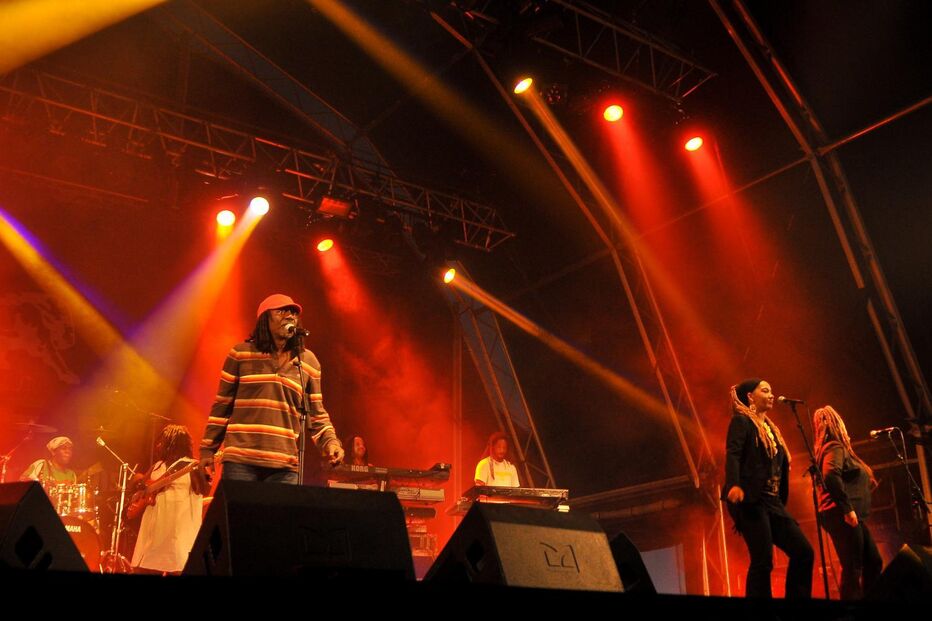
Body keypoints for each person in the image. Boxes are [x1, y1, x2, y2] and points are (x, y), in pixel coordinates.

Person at [200, 293, 344, 484]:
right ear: (264, 319)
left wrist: (331, 442)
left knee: (279, 515)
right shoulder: (240, 354)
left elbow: (316, 414)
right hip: (241, 462)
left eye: (293, 313)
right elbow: (222, 407)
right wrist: (207, 450)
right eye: (282, 311)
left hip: (284, 466)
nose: (290, 316)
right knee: (239, 515)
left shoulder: (307, 362)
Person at [723, 378, 814, 598]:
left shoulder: (771, 429)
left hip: (773, 502)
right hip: (751, 500)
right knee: (763, 560)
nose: (771, 394)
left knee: (804, 552)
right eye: (765, 391)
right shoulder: (742, 422)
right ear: (750, 397)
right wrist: (733, 484)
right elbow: (733, 454)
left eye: (772, 390)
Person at [813, 405, 883, 599]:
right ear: (835, 424)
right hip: (842, 514)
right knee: (853, 566)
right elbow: (830, 475)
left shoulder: (839, 449)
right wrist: (846, 509)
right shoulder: (834, 446)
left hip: (850, 515)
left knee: (873, 562)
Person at [131, 425, 209, 574]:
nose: (157, 445)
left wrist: (205, 471)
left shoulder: (193, 466)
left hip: (178, 535)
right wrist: (138, 484)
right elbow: (142, 488)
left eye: (162, 441)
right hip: (153, 534)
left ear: (173, 443)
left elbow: (205, 490)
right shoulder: (157, 466)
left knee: (179, 568)